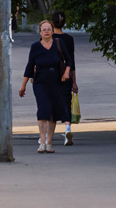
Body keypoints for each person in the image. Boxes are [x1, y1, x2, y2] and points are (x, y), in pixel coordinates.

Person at [19, 19, 71, 153]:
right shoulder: (35, 46)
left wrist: (66, 73)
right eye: (44, 29)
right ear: (40, 32)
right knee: (43, 110)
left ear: (53, 31)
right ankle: (42, 142)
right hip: (40, 82)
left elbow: (69, 60)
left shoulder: (59, 43)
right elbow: (30, 66)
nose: (46, 31)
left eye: (49, 29)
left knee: (53, 112)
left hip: (56, 81)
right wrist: (23, 85)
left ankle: (49, 143)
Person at [52, 10, 78, 145]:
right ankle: (67, 127)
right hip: (66, 74)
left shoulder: (47, 38)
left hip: (50, 75)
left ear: (52, 23)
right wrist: (74, 82)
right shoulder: (69, 39)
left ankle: (46, 134)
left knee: (50, 102)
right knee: (66, 101)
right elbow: (71, 61)